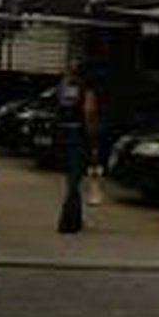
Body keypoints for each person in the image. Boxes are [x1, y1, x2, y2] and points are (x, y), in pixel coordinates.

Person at [56, 67, 99, 235]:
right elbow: (88, 112)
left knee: (70, 179)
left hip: (63, 133)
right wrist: (92, 137)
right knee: (74, 181)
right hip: (78, 135)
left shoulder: (64, 88)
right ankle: (67, 222)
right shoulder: (86, 90)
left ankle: (76, 219)